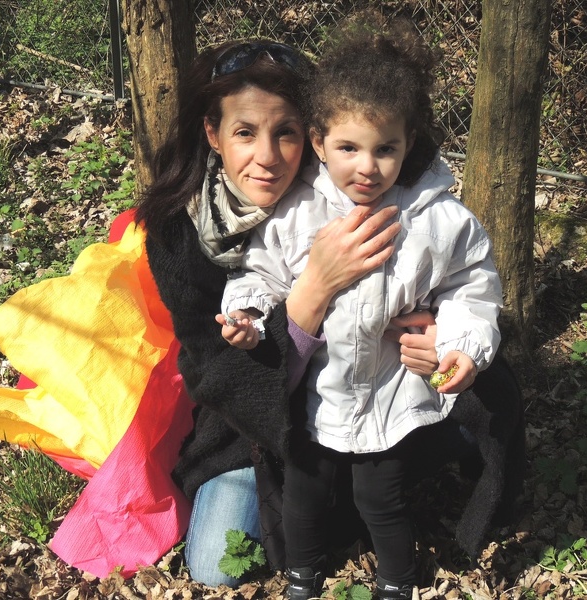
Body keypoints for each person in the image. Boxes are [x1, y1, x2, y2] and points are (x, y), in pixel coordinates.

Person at [132, 39, 439, 588]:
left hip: (370, 398)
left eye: (287, 133)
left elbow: (443, 277)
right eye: (245, 133)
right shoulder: (180, 234)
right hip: (250, 428)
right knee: (216, 566)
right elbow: (217, 375)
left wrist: (435, 330)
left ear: (315, 138)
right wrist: (313, 288)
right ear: (213, 134)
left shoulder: (351, 190)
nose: (268, 157)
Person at [220, 20, 503, 599]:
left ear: (409, 144)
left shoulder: (436, 221)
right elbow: (262, 270)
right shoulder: (297, 211)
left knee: (382, 498)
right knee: (304, 489)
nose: (367, 167)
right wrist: (247, 313)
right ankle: (303, 571)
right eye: (348, 148)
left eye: (385, 149)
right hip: (318, 396)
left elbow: (472, 287)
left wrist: (461, 345)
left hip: (391, 398)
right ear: (320, 143)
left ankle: (397, 580)